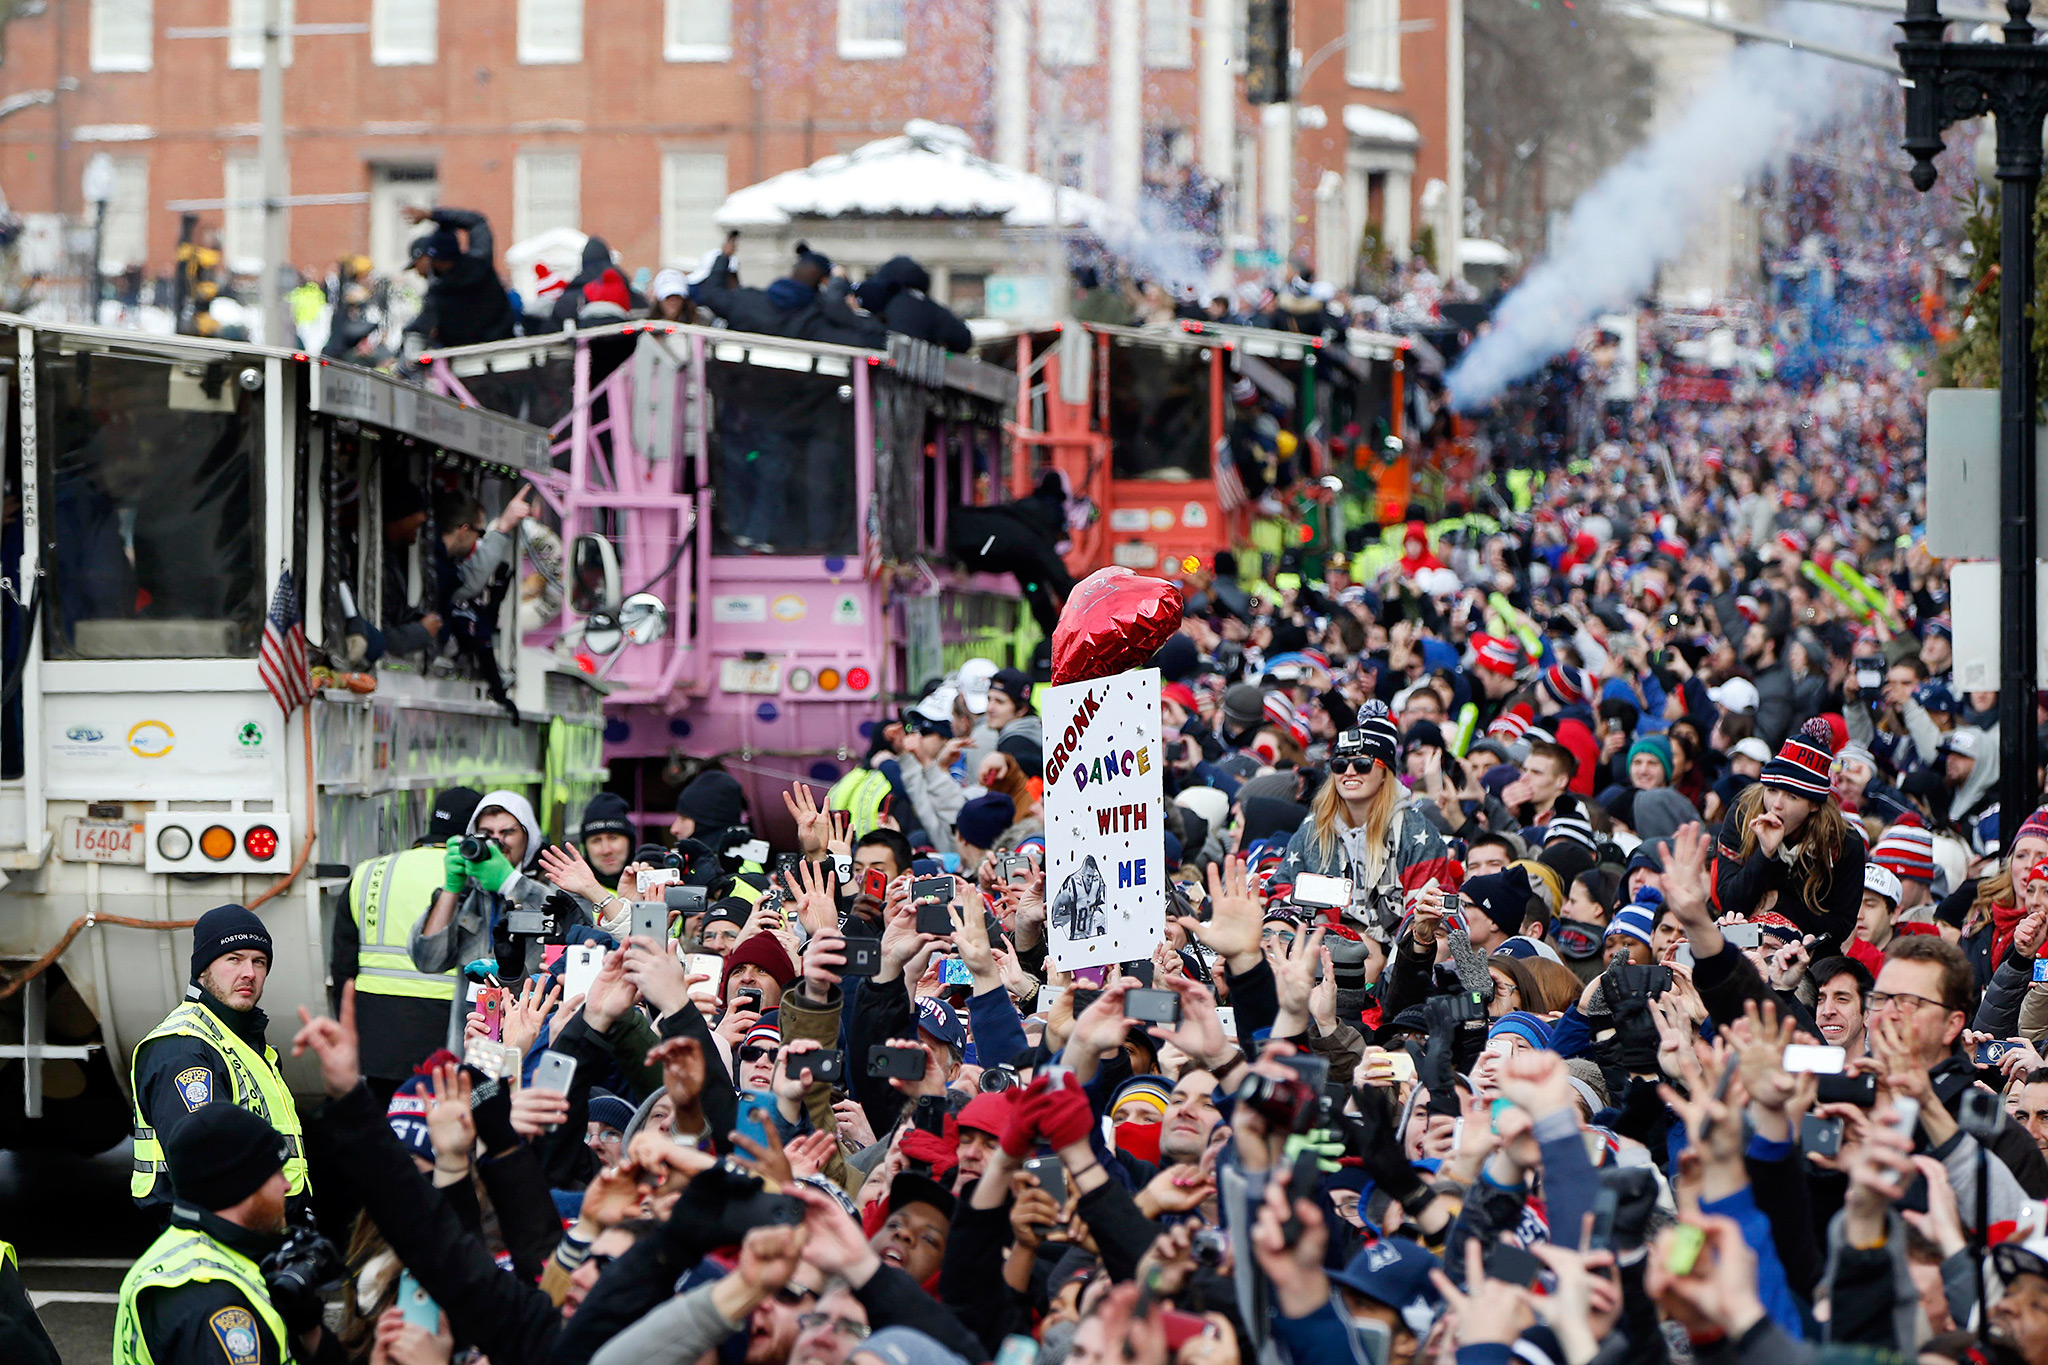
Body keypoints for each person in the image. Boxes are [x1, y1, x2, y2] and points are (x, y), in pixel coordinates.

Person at [114, 1103, 343, 1364]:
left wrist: (308, 1332)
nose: (287, 1185)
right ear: (241, 1186)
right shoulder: (210, 1300)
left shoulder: (187, 1247)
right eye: (277, 1172)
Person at [131, 905, 309, 1217]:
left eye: (259, 961)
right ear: (203, 969)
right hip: (217, 1240)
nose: (249, 973)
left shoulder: (242, 1042)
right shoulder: (184, 1048)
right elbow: (207, 1168)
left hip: (266, 1229)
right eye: (234, 959)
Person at [332, 785, 482, 1099]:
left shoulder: (370, 872)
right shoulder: (475, 878)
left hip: (377, 1037)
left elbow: (342, 966)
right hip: (447, 1033)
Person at [410, 789, 595, 984]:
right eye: (487, 833)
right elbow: (428, 961)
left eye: (508, 832)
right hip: (475, 1013)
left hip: (535, 1009)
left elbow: (584, 937)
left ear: (528, 835)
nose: (498, 841)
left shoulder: (558, 878)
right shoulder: (470, 890)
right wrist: (452, 889)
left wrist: (511, 883)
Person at [1711, 718, 1864, 952]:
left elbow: (1839, 927)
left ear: (1813, 805)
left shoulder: (1843, 842)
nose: (1776, 805)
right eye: (1772, 791)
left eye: (1792, 797)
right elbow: (1731, 903)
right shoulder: (1742, 814)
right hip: (1744, 944)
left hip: (1808, 954)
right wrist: (1765, 854)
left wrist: (1778, 904)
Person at [399, 204, 516, 348]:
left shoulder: (438, 294)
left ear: (435, 260)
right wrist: (432, 215)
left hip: (465, 360)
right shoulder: (481, 262)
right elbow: (477, 221)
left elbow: (420, 328)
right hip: (504, 346)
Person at [852, 256, 974, 352]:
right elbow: (962, 339)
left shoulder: (879, 299)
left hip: (878, 367)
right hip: (920, 375)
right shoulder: (931, 308)